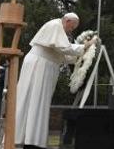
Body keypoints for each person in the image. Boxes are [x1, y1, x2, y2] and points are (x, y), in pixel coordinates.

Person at [15, 13, 96, 149]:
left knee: (38, 101)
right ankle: (28, 139)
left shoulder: (58, 31)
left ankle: (31, 139)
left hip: (44, 65)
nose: (71, 30)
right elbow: (64, 48)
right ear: (67, 20)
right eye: (71, 27)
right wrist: (84, 46)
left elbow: (63, 55)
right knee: (35, 100)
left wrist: (82, 54)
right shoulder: (55, 25)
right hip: (40, 65)